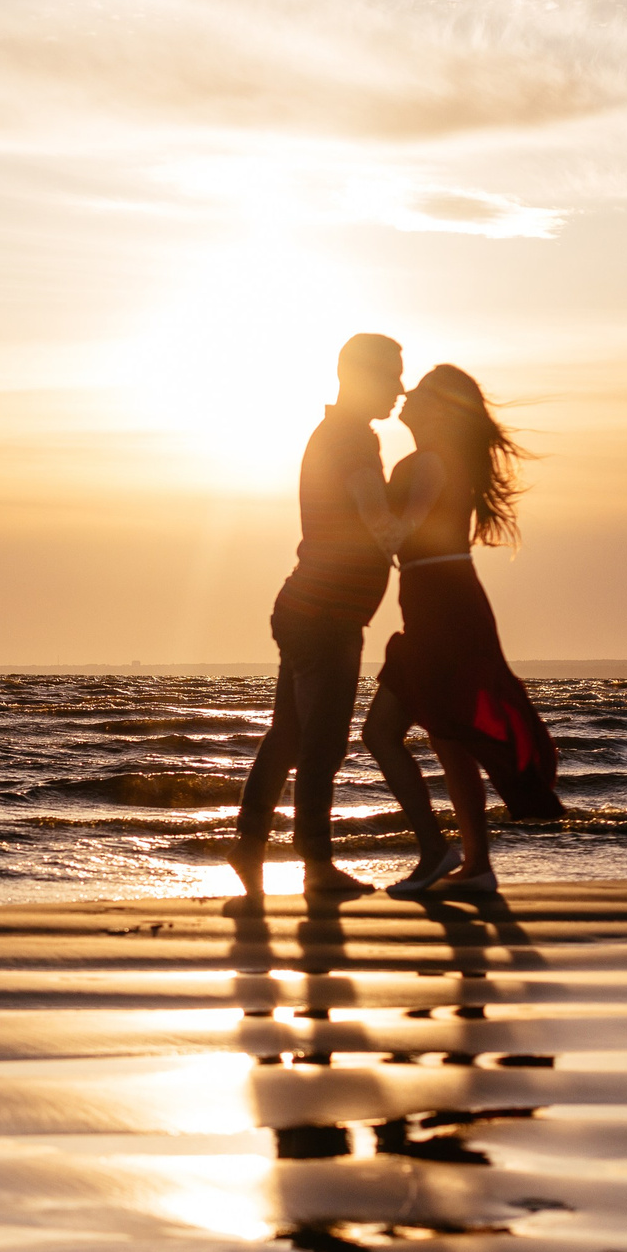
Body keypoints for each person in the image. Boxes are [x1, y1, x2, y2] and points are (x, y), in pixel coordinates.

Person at [360, 364, 564, 897]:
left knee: (387, 733)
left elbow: (397, 533)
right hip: (439, 601)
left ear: (439, 410)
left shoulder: (429, 462)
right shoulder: (437, 460)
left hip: (444, 606)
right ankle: (476, 865)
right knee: (447, 734)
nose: (405, 393)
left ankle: (442, 854)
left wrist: (360, 495)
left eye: (420, 391)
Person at [227, 333, 405, 902]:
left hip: (309, 606)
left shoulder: (340, 433)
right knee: (321, 744)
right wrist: (428, 542)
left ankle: (250, 843)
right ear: (360, 377)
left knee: (291, 732)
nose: (400, 388)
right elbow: (378, 519)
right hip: (324, 612)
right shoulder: (351, 439)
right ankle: (316, 865)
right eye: (393, 375)